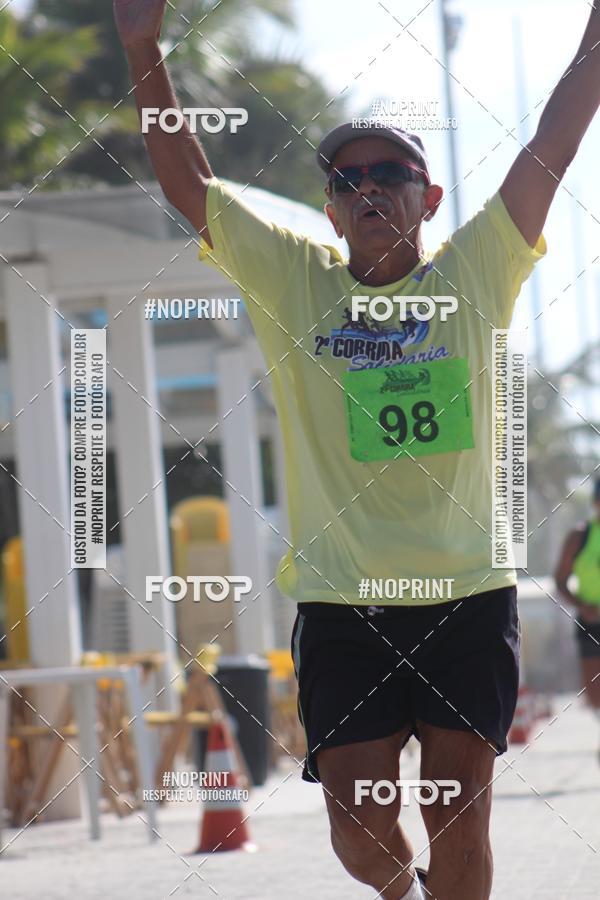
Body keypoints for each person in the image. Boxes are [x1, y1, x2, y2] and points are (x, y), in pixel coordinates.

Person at [114, 2, 600, 897]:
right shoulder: (294, 281)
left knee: (460, 815)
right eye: (346, 180)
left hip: (465, 593)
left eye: (391, 173)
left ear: (430, 198)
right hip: (345, 603)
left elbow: (554, 142)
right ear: (332, 212)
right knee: (357, 826)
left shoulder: (478, 268)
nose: (368, 188)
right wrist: (143, 46)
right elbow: (191, 186)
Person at [554, 479, 600, 760]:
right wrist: (581, 605)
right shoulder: (580, 537)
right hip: (591, 622)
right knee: (594, 695)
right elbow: (560, 580)